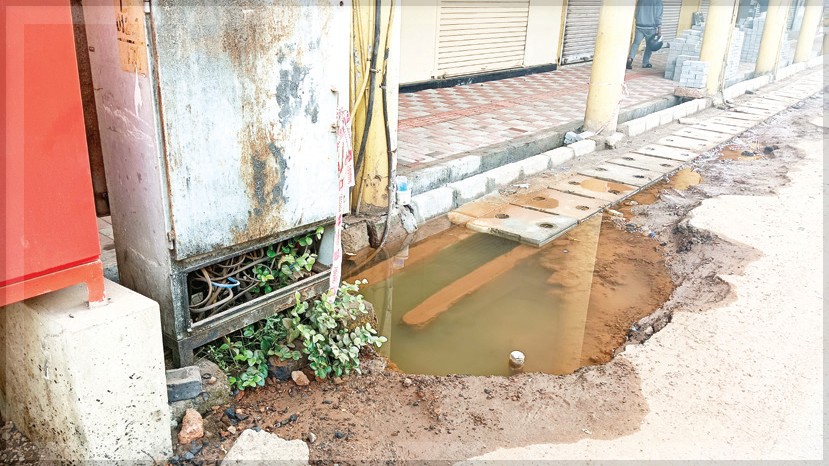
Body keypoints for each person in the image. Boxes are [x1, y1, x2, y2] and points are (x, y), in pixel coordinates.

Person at [627, 0, 663, 69]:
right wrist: (659, 30)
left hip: (639, 25)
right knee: (649, 45)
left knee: (636, 43)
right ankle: (645, 63)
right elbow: (658, 16)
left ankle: (630, 58)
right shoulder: (658, 1)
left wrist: (638, 20)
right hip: (651, 27)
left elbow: (637, 11)